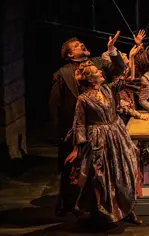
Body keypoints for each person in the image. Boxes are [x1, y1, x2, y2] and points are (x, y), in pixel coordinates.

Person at [50, 32, 126, 216]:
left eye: (81, 42)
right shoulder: (62, 74)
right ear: (69, 55)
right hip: (76, 127)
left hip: (101, 128)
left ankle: (105, 205)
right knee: (73, 169)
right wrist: (60, 132)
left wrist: (112, 51)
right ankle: (69, 206)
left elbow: (119, 69)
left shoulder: (98, 63)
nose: (82, 44)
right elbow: (55, 105)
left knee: (102, 170)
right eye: (76, 45)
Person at [60, 61, 143, 227]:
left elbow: (125, 79)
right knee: (102, 177)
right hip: (99, 140)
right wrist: (78, 148)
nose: (100, 72)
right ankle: (103, 212)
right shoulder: (83, 99)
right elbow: (80, 124)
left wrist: (125, 55)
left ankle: (129, 209)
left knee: (125, 170)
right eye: (97, 71)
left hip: (117, 134)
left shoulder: (108, 89)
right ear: (91, 79)